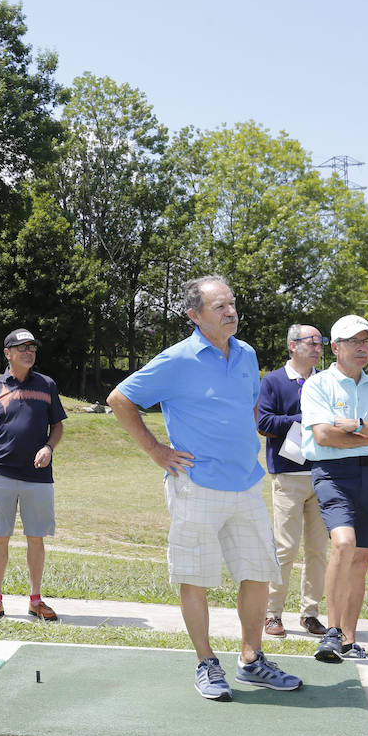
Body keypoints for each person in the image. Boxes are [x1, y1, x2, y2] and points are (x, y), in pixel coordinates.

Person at [107, 276, 302, 702]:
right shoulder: (178, 358)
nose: (230, 311)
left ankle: (252, 659)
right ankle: (206, 663)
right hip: (195, 484)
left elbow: (251, 405)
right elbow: (120, 398)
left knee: (258, 572)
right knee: (195, 576)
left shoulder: (247, 354)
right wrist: (157, 450)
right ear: (195, 316)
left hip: (246, 483)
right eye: (220, 306)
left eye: (231, 303)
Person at [301, 314, 368, 662]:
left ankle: (349, 640)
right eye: (354, 341)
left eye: (366, 341)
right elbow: (324, 436)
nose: (362, 347)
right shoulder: (318, 385)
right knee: (344, 544)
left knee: (361, 558)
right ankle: (331, 633)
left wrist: (360, 426)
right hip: (332, 474)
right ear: (335, 348)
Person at [0, 328, 66, 622]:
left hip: (38, 477)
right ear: (7, 353)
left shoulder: (47, 385)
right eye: (22, 347)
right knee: (0, 538)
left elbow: (58, 426)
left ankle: (36, 600)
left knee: (35, 538)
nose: (29, 352)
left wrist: (49, 447)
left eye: (32, 348)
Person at [256, 324, 330, 638]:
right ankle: (272, 614)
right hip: (288, 475)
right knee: (285, 549)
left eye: (321, 342)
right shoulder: (273, 381)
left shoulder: (328, 382)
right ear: (292, 345)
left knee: (318, 551)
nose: (317, 347)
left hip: (325, 475)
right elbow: (264, 422)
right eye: (310, 342)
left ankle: (310, 614)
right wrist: (303, 418)